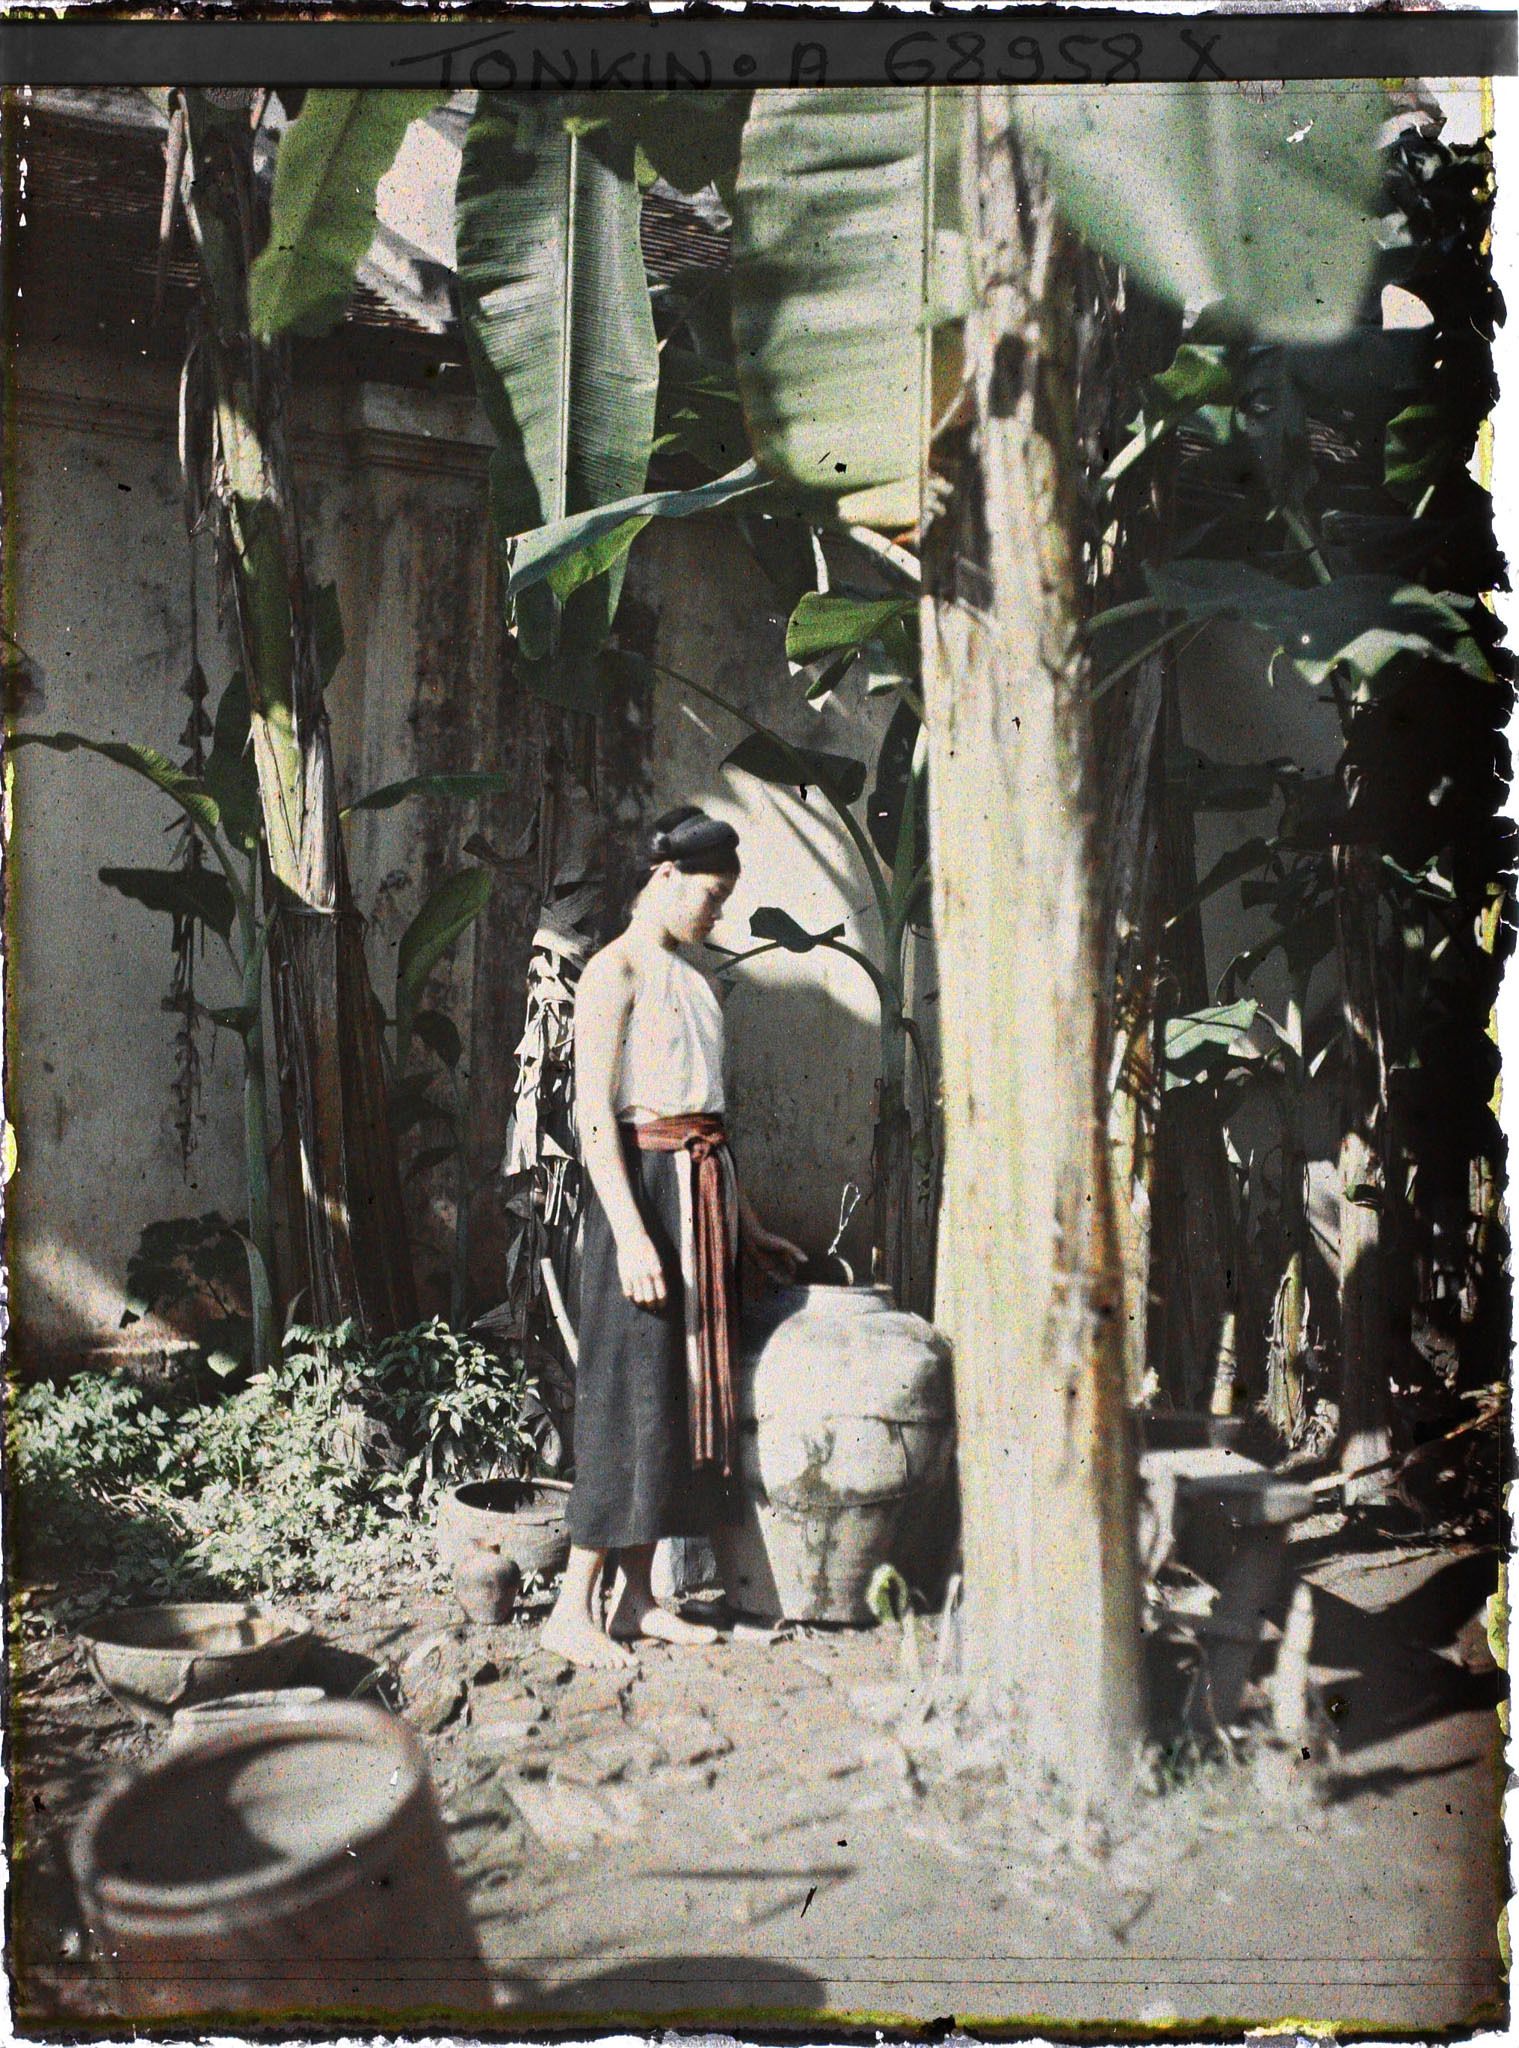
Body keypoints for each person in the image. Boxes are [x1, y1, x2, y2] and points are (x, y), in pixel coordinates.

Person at [541, 805, 805, 1670]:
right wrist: (631, 1234)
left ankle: (637, 1599)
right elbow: (591, 1118)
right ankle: (568, 1610)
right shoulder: (612, 972)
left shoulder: (694, 979)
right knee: (627, 1395)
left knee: (679, 1398)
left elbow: (710, 1120)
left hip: (699, 1191)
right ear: (663, 878)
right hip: (642, 1196)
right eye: (711, 895)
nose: (717, 912)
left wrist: (749, 1226)